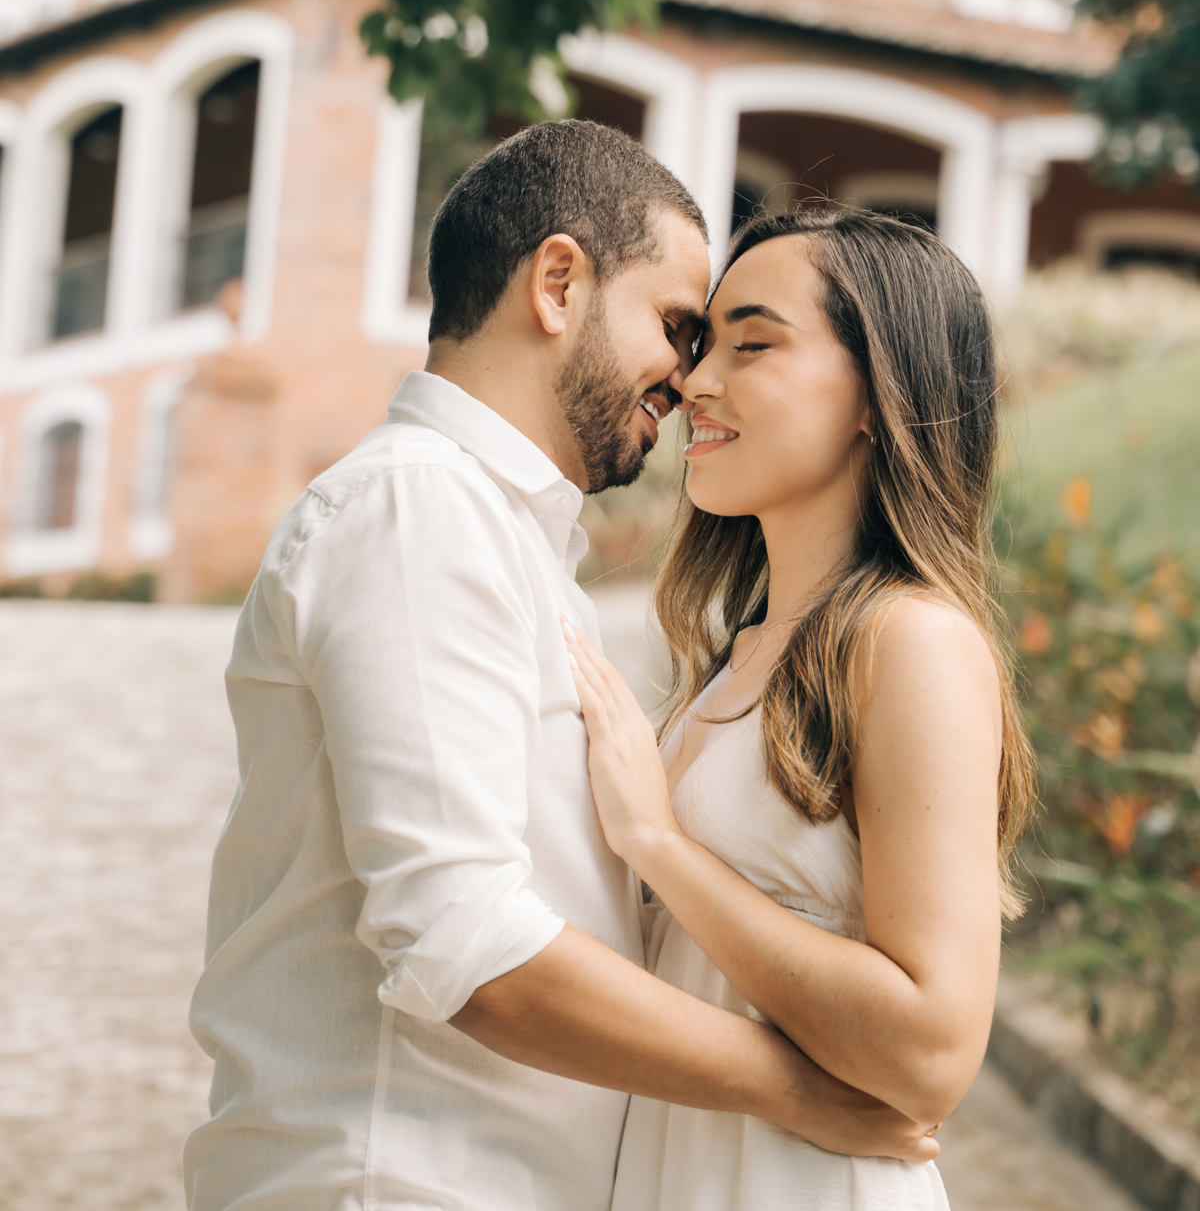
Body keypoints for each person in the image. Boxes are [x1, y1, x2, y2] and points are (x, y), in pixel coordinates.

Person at [184, 125, 937, 1211]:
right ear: (557, 282)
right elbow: (467, 941)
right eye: (678, 326)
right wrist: (798, 1089)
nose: (688, 378)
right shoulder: (417, 509)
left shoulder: (508, 539)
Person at [565, 204, 1037, 1210]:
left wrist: (656, 840)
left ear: (877, 392)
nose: (693, 383)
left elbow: (931, 1051)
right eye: (700, 347)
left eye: (754, 343)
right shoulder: (740, 653)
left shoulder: (910, 641)